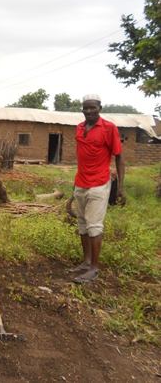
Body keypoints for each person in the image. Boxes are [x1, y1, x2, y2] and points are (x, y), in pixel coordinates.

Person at [69, 94, 126, 284]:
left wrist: (120, 188)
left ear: (100, 107)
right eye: (85, 108)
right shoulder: (79, 128)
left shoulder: (109, 128)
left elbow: (118, 157)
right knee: (83, 225)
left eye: (92, 107)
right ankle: (86, 262)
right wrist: (76, 185)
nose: (88, 111)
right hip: (81, 183)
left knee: (94, 227)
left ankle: (94, 268)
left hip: (99, 184)